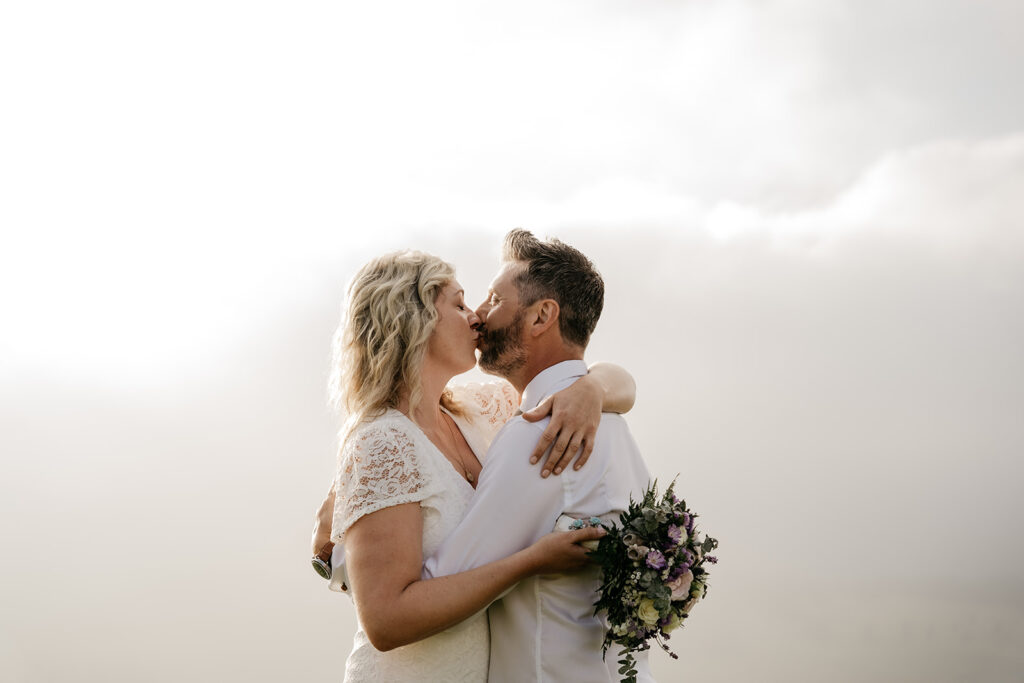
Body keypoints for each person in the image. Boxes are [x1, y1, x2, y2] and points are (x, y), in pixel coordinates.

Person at [314, 247, 638, 681]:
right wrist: (529, 561)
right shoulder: (380, 441)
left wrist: (592, 389)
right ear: (413, 319)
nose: (475, 317)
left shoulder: (481, 412)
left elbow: (616, 382)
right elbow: (385, 623)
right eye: (460, 303)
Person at [423, 229, 655, 682]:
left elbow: (442, 584)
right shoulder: (615, 427)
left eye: (493, 298)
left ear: (541, 316)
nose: (479, 315)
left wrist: (351, 534)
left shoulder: (539, 433)